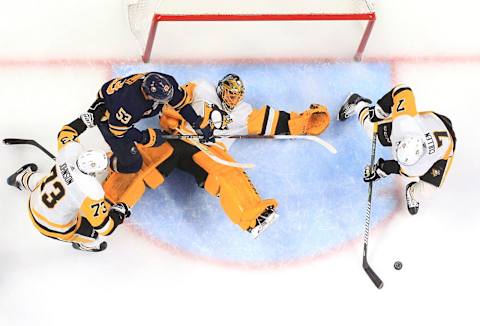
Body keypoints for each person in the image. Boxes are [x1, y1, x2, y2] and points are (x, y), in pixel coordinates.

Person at [102, 73, 330, 238]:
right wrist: (172, 119)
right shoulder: (202, 88)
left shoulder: (244, 113)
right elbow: (174, 101)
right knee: (143, 162)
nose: (232, 99)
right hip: (177, 137)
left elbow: (276, 122)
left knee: (229, 173)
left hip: (209, 152)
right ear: (221, 88)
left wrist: (307, 122)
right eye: (230, 93)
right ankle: (106, 204)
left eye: (236, 95)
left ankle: (252, 216)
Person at [6, 113, 131, 252]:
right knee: (97, 237)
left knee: (46, 180)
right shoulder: (91, 192)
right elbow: (105, 228)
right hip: (52, 227)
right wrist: (119, 213)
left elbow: (67, 131)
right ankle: (86, 244)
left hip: (33, 202)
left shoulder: (69, 152)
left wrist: (84, 121)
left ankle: (20, 178)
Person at [337, 84, 456, 215]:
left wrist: (381, 169)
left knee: (425, 193)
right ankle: (357, 102)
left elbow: (399, 168)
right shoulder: (405, 122)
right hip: (431, 122)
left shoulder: (418, 168)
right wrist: (379, 111)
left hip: (446, 148)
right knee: (372, 130)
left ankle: (411, 192)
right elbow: (403, 90)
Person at [91, 72, 214, 173]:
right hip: (108, 117)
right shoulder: (131, 104)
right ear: (148, 95)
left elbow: (180, 104)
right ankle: (103, 163)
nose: (169, 99)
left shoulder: (167, 82)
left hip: (125, 104)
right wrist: (144, 137)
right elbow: (117, 131)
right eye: (163, 99)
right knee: (133, 165)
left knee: (172, 107)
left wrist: (196, 122)